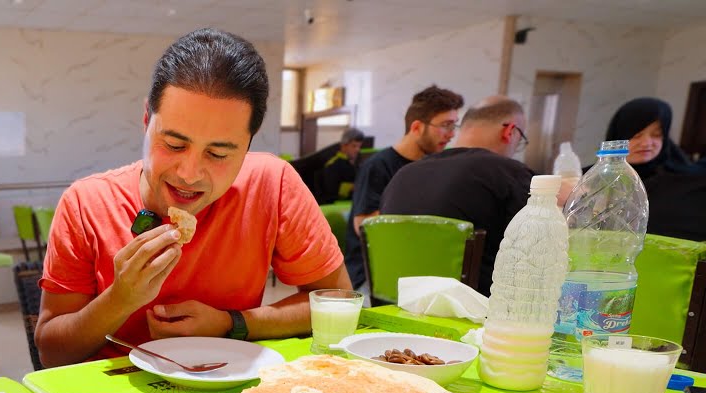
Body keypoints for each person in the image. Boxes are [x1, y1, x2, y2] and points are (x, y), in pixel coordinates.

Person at [35, 28, 350, 367]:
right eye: (173, 145)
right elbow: (52, 352)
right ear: (146, 120)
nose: (189, 173)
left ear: (247, 146)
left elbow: (339, 302)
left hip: (233, 388)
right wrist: (119, 300)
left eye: (217, 154)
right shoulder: (87, 203)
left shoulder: (272, 185)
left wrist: (233, 324)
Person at [379, 97, 535, 293]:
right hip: (472, 316)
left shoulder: (404, 174)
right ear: (510, 132)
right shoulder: (511, 174)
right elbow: (536, 255)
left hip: (397, 308)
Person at [344, 85, 464, 288]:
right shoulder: (378, 166)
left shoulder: (434, 166)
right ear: (416, 127)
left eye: (454, 126)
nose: (451, 134)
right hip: (373, 275)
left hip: (418, 271)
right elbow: (364, 226)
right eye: (446, 125)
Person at [603, 97, 706, 241]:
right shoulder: (593, 178)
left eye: (656, 135)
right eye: (637, 135)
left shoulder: (683, 179)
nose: (646, 143)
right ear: (619, 135)